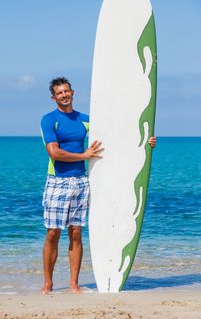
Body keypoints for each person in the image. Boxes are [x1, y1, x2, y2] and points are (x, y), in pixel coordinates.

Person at [40, 77, 156, 294]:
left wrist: (146, 141)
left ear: (73, 92)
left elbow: (116, 136)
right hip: (58, 181)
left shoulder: (85, 120)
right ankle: (48, 283)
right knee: (53, 233)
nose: (64, 95)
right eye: (59, 93)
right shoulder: (49, 120)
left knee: (76, 232)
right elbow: (54, 152)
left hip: (82, 181)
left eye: (67, 91)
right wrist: (84, 155)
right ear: (53, 97)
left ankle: (74, 284)